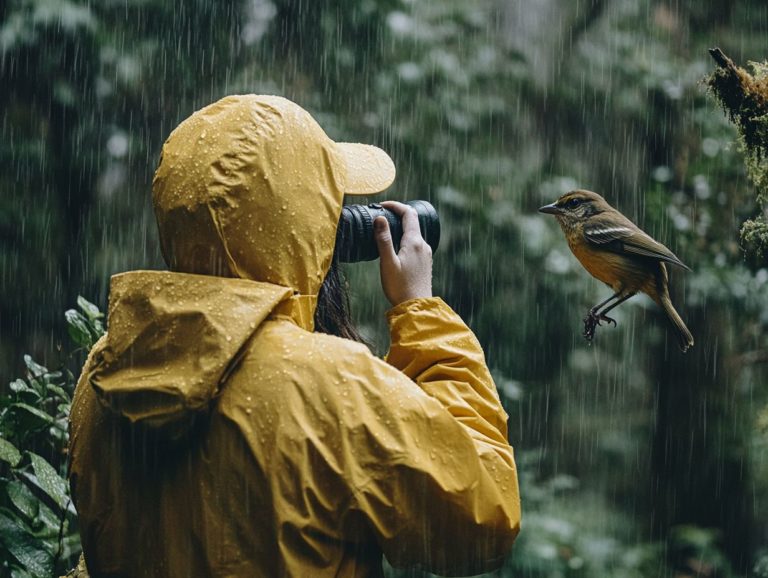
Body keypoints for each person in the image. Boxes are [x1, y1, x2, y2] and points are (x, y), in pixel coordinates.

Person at [68, 95, 521, 577]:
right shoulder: (331, 386)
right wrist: (420, 311)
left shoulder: (108, 370)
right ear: (307, 230)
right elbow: (484, 518)